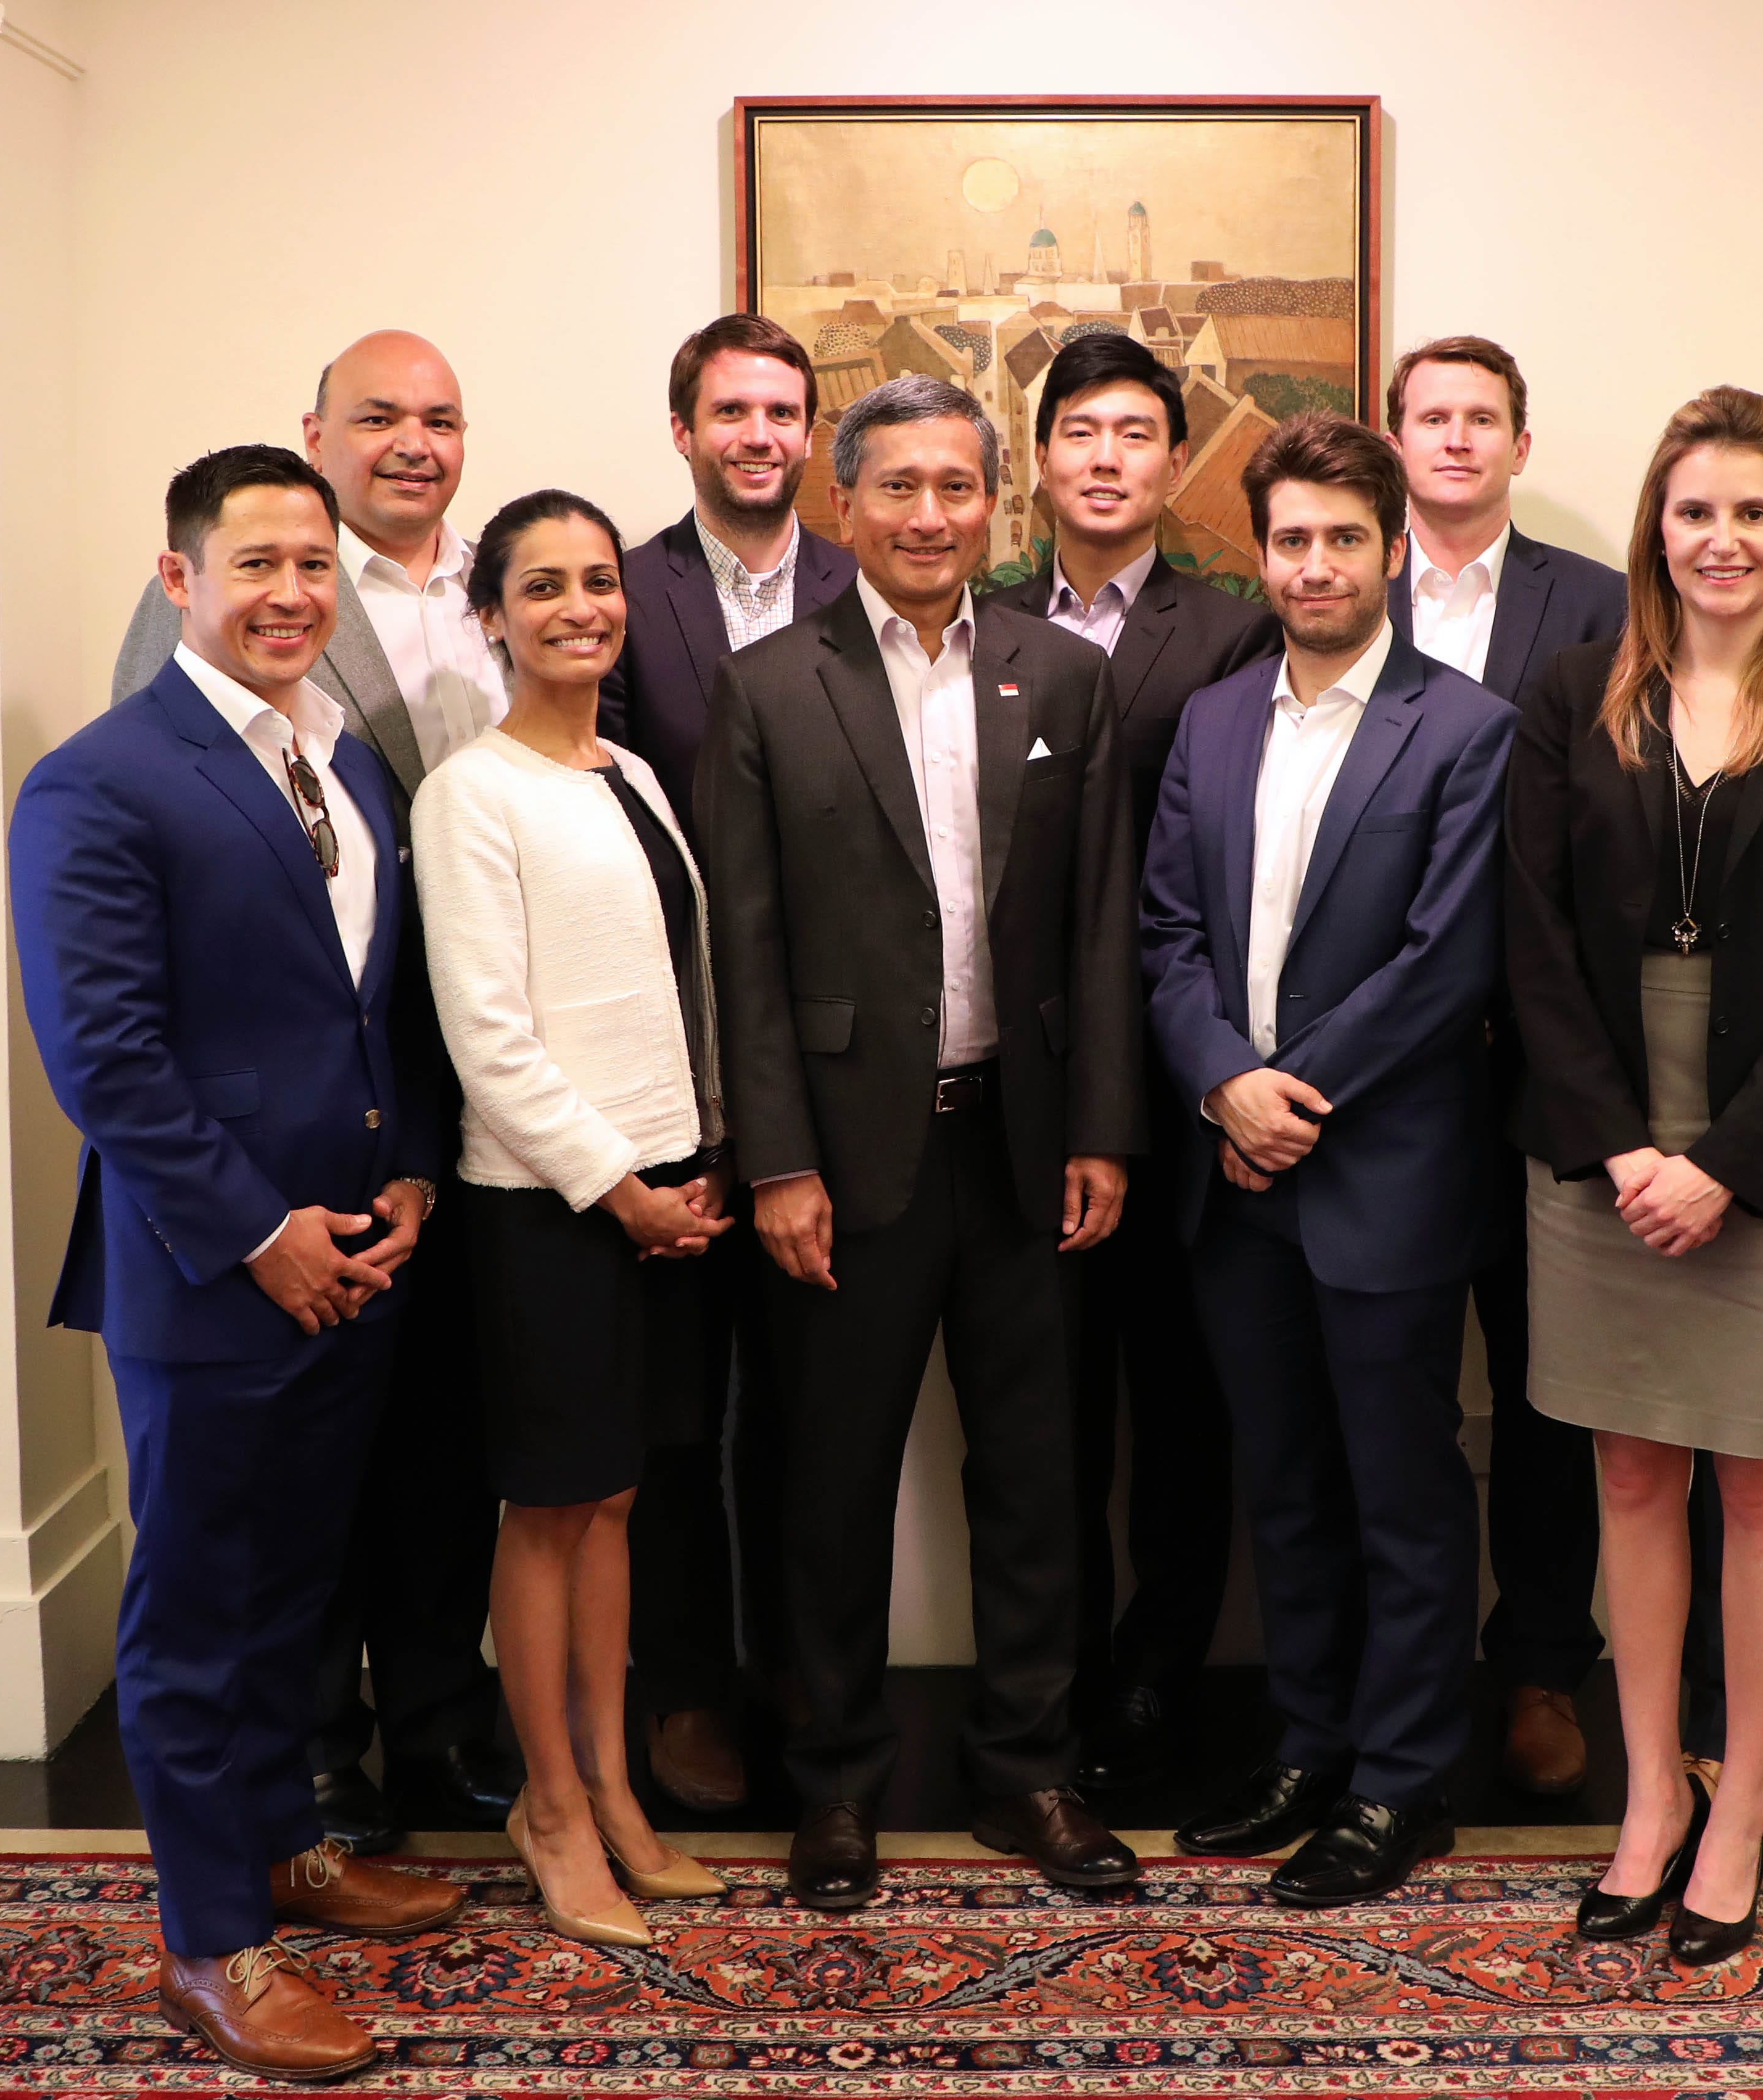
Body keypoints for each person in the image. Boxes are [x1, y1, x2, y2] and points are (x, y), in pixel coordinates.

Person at [14, 446, 467, 2081]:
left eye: (312, 566)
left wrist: (409, 1168)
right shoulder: (100, 780)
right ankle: (214, 1941)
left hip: (355, 1258)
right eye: (255, 562)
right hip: (211, 1275)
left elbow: (375, 1011)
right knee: (198, 1610)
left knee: (297, 1590)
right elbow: (105, 1057)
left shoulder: (344, 765)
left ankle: (285, 1843)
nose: (288, 592)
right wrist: (257, 1230)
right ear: (178, 578)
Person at [696, 373, 1145, 1912]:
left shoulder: (1061, 679)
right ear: (847, 505)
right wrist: (773, 1161)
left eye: (958, 487)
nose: (931, 515)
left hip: (1022, 1146)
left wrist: (1101, 1127)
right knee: (828, 1487)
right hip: (842, 1155)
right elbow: (741, 953)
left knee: (1038, 1476)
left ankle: (1027, 1768)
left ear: (992, 503)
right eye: (899, 488)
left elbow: (1097, 928)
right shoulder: (768, 685)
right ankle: (835, 1787)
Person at [1503, 387, 1763, 1967]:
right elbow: (1529, 937)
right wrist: (1621, 1144)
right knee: (1621, 1472)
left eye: (1754, 511)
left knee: (1752, 1473)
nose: (1723, 539)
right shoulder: (1567, 698)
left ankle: (1741, 1799)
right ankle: (1650, 1800)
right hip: (1598, 1133)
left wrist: (1724, 1165)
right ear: (1653, 530)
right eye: (1696, 511)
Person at [110, 331, 517, 1851]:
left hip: (427, 1119)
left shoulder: (486, 602)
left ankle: (406, 1742)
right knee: (244, 1554)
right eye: (377, 417)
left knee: (420, 1457)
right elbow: (132, 1010)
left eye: (439, 417)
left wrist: (416, 1149)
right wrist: (254, 1211)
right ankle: (281, 1814)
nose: (412, 441)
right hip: (255, 1178)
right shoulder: (174, 690)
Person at [1145, 414, 1512, 1905]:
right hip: (1236, 1178)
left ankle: (1403, 1777)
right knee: (1282, 1484)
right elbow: (1164, 932)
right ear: (1263, 550)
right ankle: (1307, 1744)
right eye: (1289, 538)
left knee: (1402, 1489)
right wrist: (1225, 1084)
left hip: (1387, 1175)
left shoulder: (1468, 728)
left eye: (1343, 538)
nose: (1314, 563)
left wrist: (1290, 1092)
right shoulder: (1215, 720)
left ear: (1388, 550)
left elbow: (1447, 963)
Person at [413, 488, 737, 1949]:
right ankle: (546, 1805)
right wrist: (620, 1191)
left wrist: (697, 1166)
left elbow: (677, 992)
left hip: (660, 1197)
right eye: (539, 586)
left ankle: (612, 1788)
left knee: (614, 1503)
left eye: (598, 582)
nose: (579, 608)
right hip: (552, 1210)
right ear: (491, 615)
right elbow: (488, 1038)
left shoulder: (635, 774)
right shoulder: (469, 791)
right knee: (547, 1511)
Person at [980, 331, 1281, 1793]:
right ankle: (1049, 1673)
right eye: (1078, 431)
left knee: (1178, 1389)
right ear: (1036, 458)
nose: (1104, 457)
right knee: (1040, 1395)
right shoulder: (966, 616)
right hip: (1010, 1069)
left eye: (1134, 434)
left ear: (1176, 462)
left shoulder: (1230, 628)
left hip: (1173, 1065)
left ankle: (1160, 1665)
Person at [596, 315, 861, 1815]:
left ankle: (800, 1683)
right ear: (683, 427)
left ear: (811, 434)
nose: (759, 434)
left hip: (843, 1067)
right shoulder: (622, 593)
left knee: (811, 1407)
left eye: (782, 411)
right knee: (681, 1409)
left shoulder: (863, 579)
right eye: (731, 411)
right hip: (674, 1063)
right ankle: (690, 1684)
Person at [1382, 336, 1635, 1797]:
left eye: (1484, 418)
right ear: (1396, 438)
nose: (1459, 439)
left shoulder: (1598, 607)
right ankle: (1401, 1666)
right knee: (1398, 1378)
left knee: (1555, 1383)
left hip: (1550, 1068)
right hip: (1391, 1078)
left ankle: (1542, 1660)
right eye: (1433, 417)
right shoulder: (1339, 592)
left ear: (1519, 446)